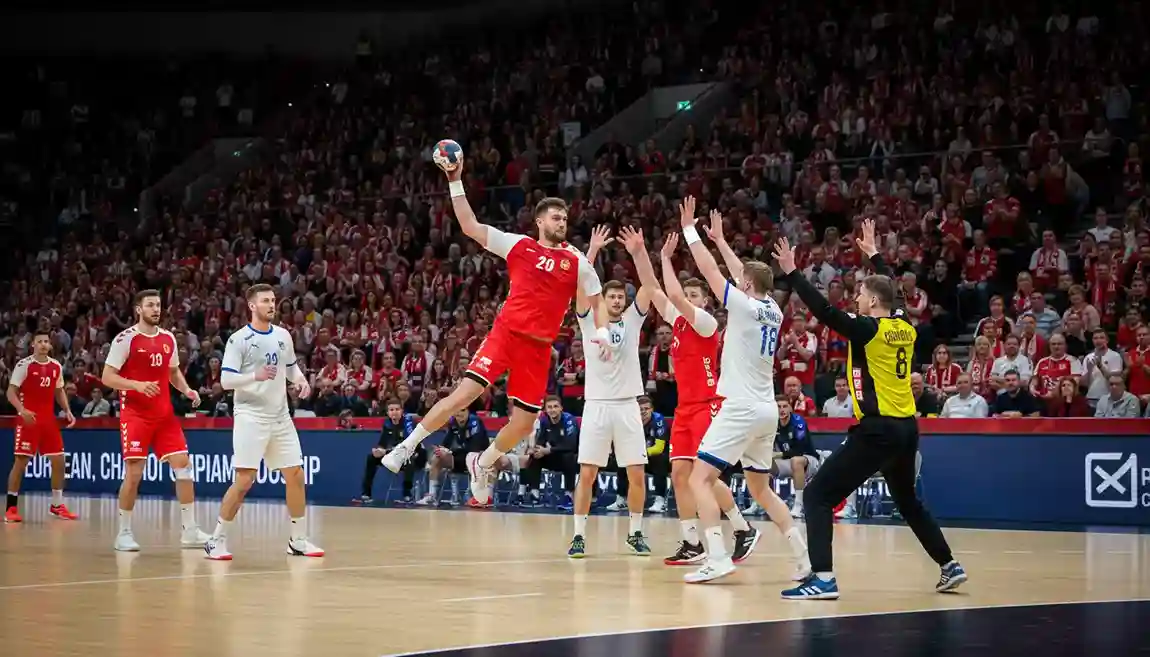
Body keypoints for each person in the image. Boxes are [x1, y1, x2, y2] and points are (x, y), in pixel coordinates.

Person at [382, 155, 607, 506]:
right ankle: (406, 447)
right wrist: (455, 180)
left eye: (565, 217)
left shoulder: (577, 261)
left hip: (539, 348)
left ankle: (484, 462)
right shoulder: (519, 245)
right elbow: (471, 226)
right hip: (507, 334)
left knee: (522, 424)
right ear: (539, 221)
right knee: (463, 395)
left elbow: (597, 300)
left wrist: (603, 333)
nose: (562, 221)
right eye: (556, 217)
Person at [775, 219, 967, 600]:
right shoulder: (904, 325)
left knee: (817, 496)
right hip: (906, 429)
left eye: (861, 293)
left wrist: (793, 274)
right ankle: (949, 565)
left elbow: (826, 312)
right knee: (908, 502)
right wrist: (875, 255)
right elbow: (892, 292)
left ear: (872, 302)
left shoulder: (869, 329)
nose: (856, 297)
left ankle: (824, 579)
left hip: (878, 429)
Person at [624, 206, 775, 570]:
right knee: (679, 474)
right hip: (684, 407)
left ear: (705, 303)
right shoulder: (677, 324)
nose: (687, 300)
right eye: (688, 297)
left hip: (709, 404)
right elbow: (655, 290)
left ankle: (741, 527)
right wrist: (641, 253)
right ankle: (692, 541)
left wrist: (665, 259)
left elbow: (672, 295)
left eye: (695, 296)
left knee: (701, 476)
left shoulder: (706, 323)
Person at [673, 197, 811, 584]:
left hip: (741, 406)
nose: (737, 282)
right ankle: (802, 557)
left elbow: (712, 273)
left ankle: (716, 556)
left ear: (746, 287)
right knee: (761, 489)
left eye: (741, 283)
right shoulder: (773, 309)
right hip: (767, 409)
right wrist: (719, 240)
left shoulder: (745, 306)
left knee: (700, 478)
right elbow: (742, 273)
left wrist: (691, 232)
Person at [205, 284, 323, 560]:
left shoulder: (283, 335)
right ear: (252, 306)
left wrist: (302, 381)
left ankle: (298, 540)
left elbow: (290, 368)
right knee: (245, 480)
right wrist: (254, 376)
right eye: (265, 301)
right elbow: (225, 380)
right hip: (250, 415)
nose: (272, 305)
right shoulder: (239, 340)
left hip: (280, 416)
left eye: (273, 300)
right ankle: (215, 540)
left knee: (295, 474)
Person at [101, 289, 211, 552]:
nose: (155, 309)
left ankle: (190, 530)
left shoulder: (168, 338)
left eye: (158, 305)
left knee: (183, 465)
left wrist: (186, 390)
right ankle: (123, 533)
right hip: (135, 415)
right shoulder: (125, 339)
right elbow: (107, 377)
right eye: (150, 305)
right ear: (138, 309)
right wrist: (137, 385)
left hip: (164, 415)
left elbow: (172, 372)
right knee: (134, 474)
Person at [567, 265, 653, 558]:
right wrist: (585, 257)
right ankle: (578, 537)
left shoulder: (633, 320)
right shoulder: (589, 320)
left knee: (637, 474)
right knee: (587, 474)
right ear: (602, 299)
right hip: (597, 405)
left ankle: (635, 533)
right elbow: (578, 286)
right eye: (612, 297)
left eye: (620, 297)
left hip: (628, 405)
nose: (617, 301)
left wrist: (639, 255)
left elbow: (649, 286)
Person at [5, 331, 77, 523]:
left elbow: (59, 390)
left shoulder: (56, 366)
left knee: (59, 461)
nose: (43, 345)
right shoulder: (24, 365)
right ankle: (11, 507)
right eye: (40, 342)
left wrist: (67, 410)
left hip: (48, 421)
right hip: (28, 419)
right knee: (20, 464)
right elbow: (11, 392)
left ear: (50, 346)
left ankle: (57, 504)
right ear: (33, 345)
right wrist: (22, 411)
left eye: (46, 342)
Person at [418, 407, 491, 506]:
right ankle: (432, 496)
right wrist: (440, 450)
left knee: (470, 456)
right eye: (457, 410)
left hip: (478, 459)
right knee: (437, 458)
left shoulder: (475, 422)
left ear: (468, 411)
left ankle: (478, 496)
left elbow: (475, 448)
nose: (459, 413)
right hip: (464, 457)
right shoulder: (453, 424)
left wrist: (449, 451)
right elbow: (446, 443)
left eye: (463, 410)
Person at [611, 396, 669, 513]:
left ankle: (660, 500)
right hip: (637, 457)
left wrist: (639, 454)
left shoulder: (658, 420)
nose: (643, 412)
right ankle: (621, 499)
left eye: (646, 409)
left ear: (652, 409)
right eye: (640, 409)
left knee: (660, 459)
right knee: (623, 461)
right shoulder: (630, 421)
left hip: (653, 457)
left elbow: (658, 448)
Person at [520, 397, 579, 509]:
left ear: (561, 408)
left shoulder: (569, 420)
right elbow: (540, 442)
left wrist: (548, 450)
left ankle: (569, 496)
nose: (553, 410)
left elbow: (571, 445)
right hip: (553, 456)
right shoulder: (544, 421)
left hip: (571, 457)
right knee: (535, 456)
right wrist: (537, 450)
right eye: (550, 407)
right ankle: (534, 494)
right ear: (545, 410)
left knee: (569, 457)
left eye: (556, 406)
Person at [361, 400, 425, 503]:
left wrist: (385, 451)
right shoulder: (387, 424)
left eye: (397, 409)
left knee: (409, 459)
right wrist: (378, 450)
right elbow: (382, 443)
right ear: (387, 412)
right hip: (395, 455)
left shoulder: (408, 422)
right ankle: (366, 493)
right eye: (391, 410)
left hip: (415, 455)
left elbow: (410, 445)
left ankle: (407, 494)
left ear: (402, 411)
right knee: (371, 458)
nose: (394, 412)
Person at [772, 396, 821, 519]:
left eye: (785, 406)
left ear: (790, 408)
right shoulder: (772, 423)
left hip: (809, 460)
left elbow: (799, 450)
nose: (782, 410)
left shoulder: (798, 422)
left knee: (796, 461)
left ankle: (799, 505)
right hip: (788, 461)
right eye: (778, 407)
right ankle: (761, 504)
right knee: (763, 462)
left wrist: (778, 454)